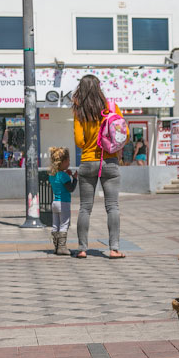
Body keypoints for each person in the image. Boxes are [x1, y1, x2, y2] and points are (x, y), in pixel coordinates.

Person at [72, 74, 124, 259]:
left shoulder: (79, 110)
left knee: (85, 207)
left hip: (87, 162)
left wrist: (88, 144)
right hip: (109, 161)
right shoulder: (111, 107)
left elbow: (79, 140)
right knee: (113, 206)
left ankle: (82, 248)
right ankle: (114, 248)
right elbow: (119, 133)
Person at [47, 147, 78, 255]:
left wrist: (67, 174)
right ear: (63, 162)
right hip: (64, 203)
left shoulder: (52, 174)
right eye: (68, 161)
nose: (69, 163)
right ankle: (62, 247)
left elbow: (60, 184)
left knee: (55, 225)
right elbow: (70, 189)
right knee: (64, 224)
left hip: (55, 202)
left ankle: (56, 247)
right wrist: (74, 178)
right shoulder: (63, 175)